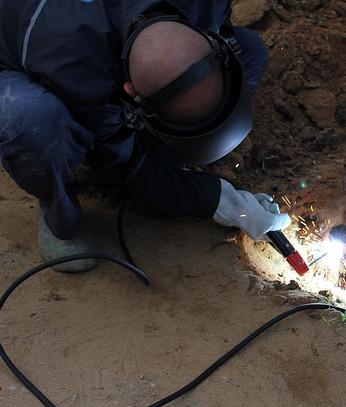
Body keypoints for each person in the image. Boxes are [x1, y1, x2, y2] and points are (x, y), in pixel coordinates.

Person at [0, 0, 291, 272]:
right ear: (130, 92)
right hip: (17, 55)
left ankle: (167, 143)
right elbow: (123, 164)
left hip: (110, 37)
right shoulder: (75, 66)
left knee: (249, 52)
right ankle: (57, 207)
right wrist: (216, 200)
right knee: (35, 122)